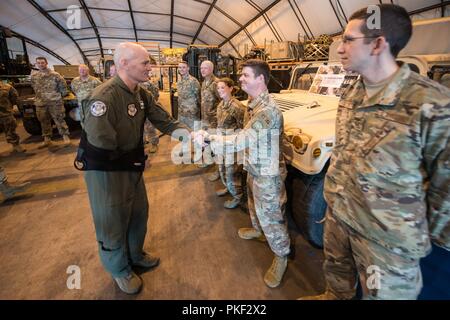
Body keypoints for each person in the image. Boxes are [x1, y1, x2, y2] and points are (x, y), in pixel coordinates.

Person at [300, 4, 450, 300]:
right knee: (337, 275)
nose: (339, 49)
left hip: (386, 239)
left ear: (378, 44)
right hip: (340, 214)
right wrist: (333, 200)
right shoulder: (353, 91)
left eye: (347, 40)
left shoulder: (430, 103)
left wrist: (412, 234)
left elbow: (446, 186)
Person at [78, 42, 189, 295]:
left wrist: (191, 136)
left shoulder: (140, 93)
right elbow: (100, 150)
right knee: (113, 220)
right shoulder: (103, 99)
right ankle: (118, 269)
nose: (151, 67)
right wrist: (136, 161)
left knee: (139, 212)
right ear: (124, 64)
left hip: (131, 166)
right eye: (145, 63)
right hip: (106, 173)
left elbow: (164, 120)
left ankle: (135, 255)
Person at [194, 59, 291, 288]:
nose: (240, 79)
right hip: (254, 167)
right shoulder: (253, 105)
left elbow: (242, 139)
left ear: (260, 79)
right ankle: (259, 232)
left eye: (245, 75)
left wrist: (209, 139)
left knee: (272, 216)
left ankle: (281, 255)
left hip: (268, 174)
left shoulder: (267, 112)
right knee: (255, 207)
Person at [215, 78, 245, 209]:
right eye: (218, 88)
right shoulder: (221, 105)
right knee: (222, 169)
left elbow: (243, 128)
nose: (220, 90)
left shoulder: (237, 107)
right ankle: (228, 188)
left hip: (232, 147)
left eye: (223, 87)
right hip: (222, 144)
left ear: (231, 88)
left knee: (232, 173)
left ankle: (238, 197)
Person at [30, 57, 71, 147]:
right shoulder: (34, 76)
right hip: (41, 102)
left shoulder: (55, 75)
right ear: (36, 64)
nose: (41, 64)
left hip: (55, 102)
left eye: (42, 62)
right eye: (39, 63)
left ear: (46, 63)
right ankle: (47, 139)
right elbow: (33, 87)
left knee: (59, 119)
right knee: (43, 120)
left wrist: (58, 96)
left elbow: (63, 87)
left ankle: (65, 136)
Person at [199, 60, 221, 181]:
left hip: (214, 121)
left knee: (216, 146)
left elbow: (222, 101)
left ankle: (218, 171)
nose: (202, 70)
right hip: (205, 119)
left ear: (211, 69)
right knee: (205, 142)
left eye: (205, 68)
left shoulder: (216, 83)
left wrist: (217, 118)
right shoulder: (204, 82)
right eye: (201, 68)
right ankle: (208, 160)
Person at [139, 64, 160, 154]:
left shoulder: (149, 83)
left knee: (150, 127)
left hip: (147, 109)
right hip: (138, 109)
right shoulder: (134, 83)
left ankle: (154, 143)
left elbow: (156, 94)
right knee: (140, 127)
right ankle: (142, 141)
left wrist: (151, 104)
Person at [0, 81, 26, 153]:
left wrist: (11, 107)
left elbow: (15, 98)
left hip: (5, 113)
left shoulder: (7, 87)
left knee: (11, 129)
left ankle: (16, 145)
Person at [176, 61, 201, 130]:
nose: (181, 69)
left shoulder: (193, 81)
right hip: (181, 113)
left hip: (191, 115)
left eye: (184, 67)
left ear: (188, 68)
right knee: (183, 134)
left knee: (195, 135)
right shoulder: (179, 81)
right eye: (180, 67)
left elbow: (199, 97)